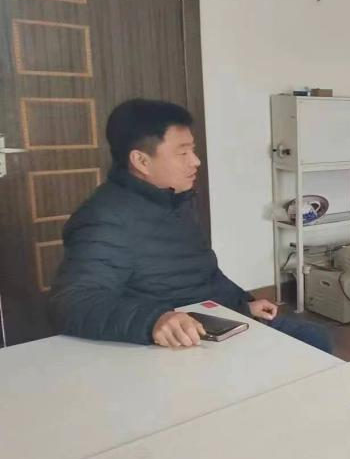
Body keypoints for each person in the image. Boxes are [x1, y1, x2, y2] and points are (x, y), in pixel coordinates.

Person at [50, 99, 332, 352]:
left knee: (313, 338)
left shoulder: (173, 200)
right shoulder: (106, 217)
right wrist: (153, 321)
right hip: (179, 339)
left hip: (211, 320)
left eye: (192, 150)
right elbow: (73, 301)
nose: (196, 161)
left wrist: (243, 304)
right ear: (141, 161)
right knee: (306, 347)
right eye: (182, 153)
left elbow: (202, 274)